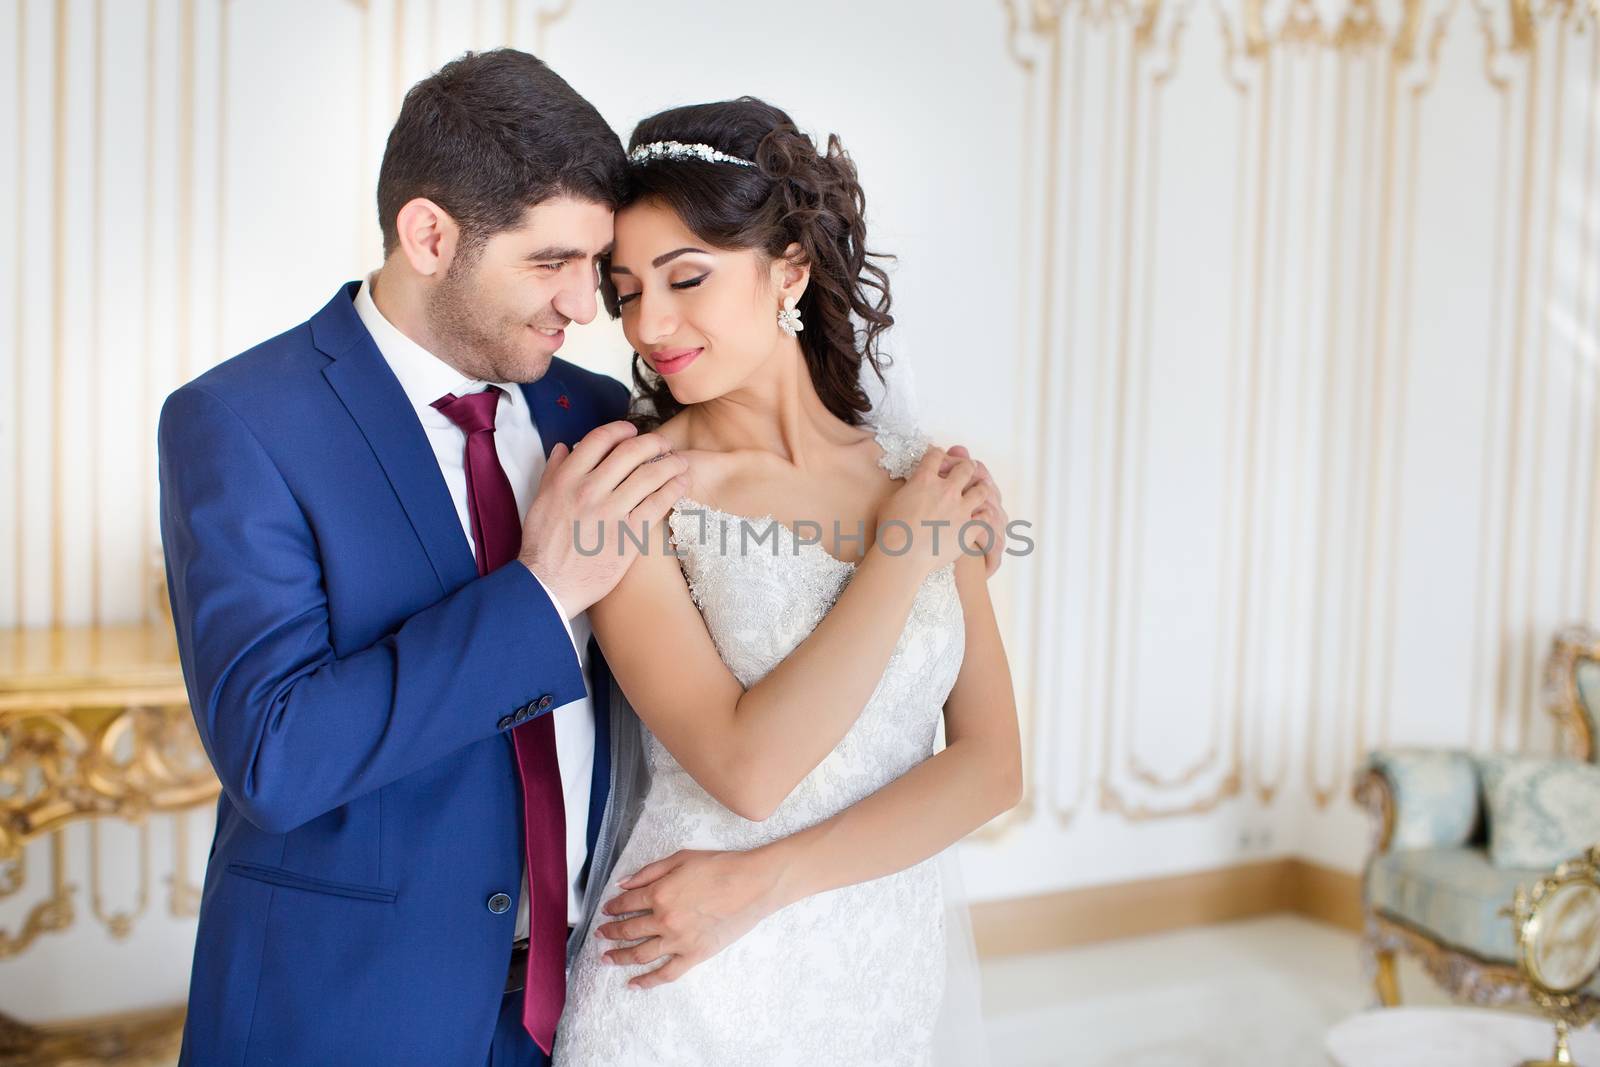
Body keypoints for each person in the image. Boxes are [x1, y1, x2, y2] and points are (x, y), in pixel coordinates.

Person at [156, 50, 1009, 1066]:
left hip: (589, 979)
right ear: (430, 236)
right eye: (560, 266)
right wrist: (541, 591)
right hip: (359, 998)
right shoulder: (244, 422)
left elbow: (975, 751)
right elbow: (276, 756)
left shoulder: (596, 416)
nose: (605, 316)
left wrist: (927, 541)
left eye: (600, 269)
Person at [552, 98, 1023, 1066]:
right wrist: (899, 556)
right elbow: (748, 770)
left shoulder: (921, 474)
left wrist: (773, 879)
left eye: (686, 277)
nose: (649, 322)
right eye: (626, 289)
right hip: (684, 977)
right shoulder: (635, 488)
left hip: (878, 965)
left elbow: (990, 765)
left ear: (791, 269)